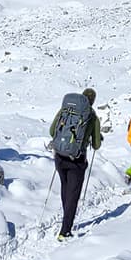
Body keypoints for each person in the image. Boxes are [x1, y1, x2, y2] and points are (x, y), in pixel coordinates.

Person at [49, 87, 103, 241]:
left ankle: (66, 220)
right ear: (92, 101)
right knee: (73, 194)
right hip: (77, 160)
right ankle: (65, 231)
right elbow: (97, 144)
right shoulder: (92, 116)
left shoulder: (66, 109)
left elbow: (53, 131)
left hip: (60, 156)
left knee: (65, 189)